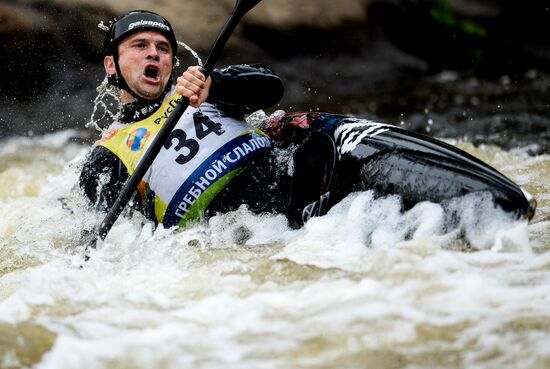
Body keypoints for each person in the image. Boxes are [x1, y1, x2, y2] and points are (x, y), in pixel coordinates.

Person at [79, 10, 284, 228]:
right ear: (111, 65)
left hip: (283, 182)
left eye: (163, 48)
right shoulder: (109, 155)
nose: (154, 54)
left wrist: (217, 85)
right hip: (241, 232)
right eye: (140, 45)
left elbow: (272, 87)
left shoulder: (200, 90)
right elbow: (115, 242)